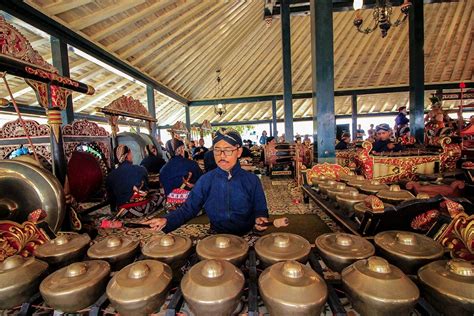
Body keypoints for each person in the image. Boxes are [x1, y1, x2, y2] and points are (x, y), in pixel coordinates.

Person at [144, 128, 269, 235]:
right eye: (217, 150)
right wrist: (167, 220)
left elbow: (260, 209)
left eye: (228, 150)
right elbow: (189, 208)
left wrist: (261, 218)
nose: (221, 155)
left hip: (247, 233)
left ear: (239, 152)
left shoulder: (252, 180)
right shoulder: (206, 180)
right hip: (217, 235)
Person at [106, 145, 161, 217]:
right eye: (130, 153)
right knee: (161, 192)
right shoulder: (141, 169)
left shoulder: (111, 175)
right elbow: (146, 189)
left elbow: (111, 198)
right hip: (143, 209)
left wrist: (115, 211)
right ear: (127, 155)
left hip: (123, 212)